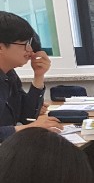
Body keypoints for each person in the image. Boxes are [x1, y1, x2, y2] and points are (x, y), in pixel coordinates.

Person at [0, 11, 59, 141]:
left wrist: (38, 75)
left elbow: (27, 117)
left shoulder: (9, 74)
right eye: (24, 44)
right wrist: (28, 128)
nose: (30, 51)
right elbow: (28, 124)